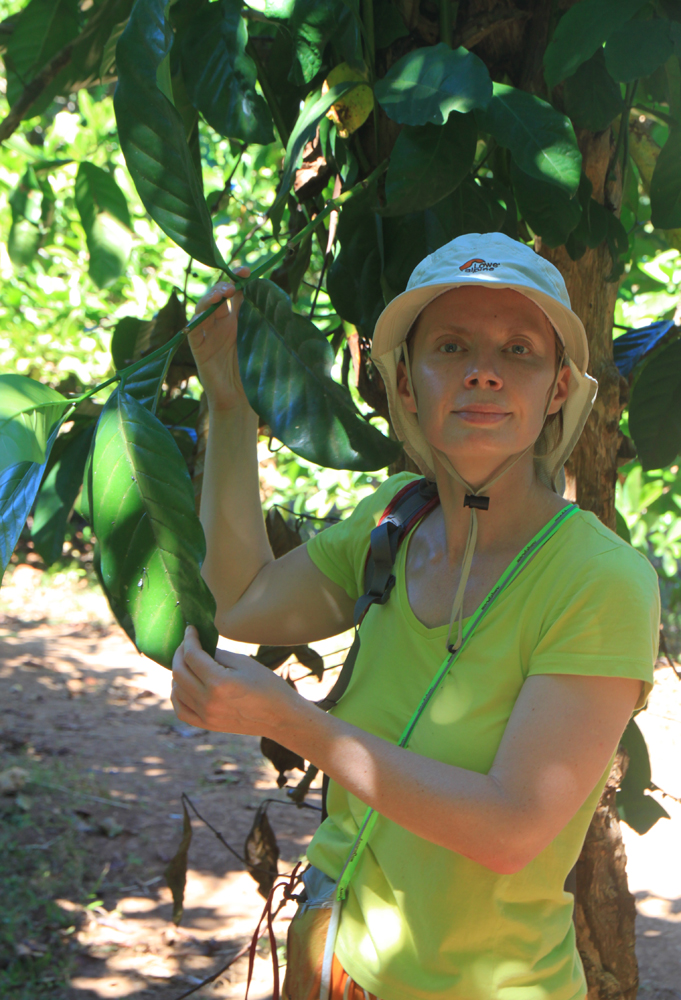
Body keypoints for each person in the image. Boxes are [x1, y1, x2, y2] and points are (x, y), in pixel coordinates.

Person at [171, 233, 660, 1000]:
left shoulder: (599, 582)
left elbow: (510, 829)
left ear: (558, 388)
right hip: (334, 963)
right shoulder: (394, 523)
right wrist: (229, 402)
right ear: (405, 382)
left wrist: (291, 721)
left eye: (518, 351)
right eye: (450, 346)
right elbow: (241, 599)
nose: (482, 372)